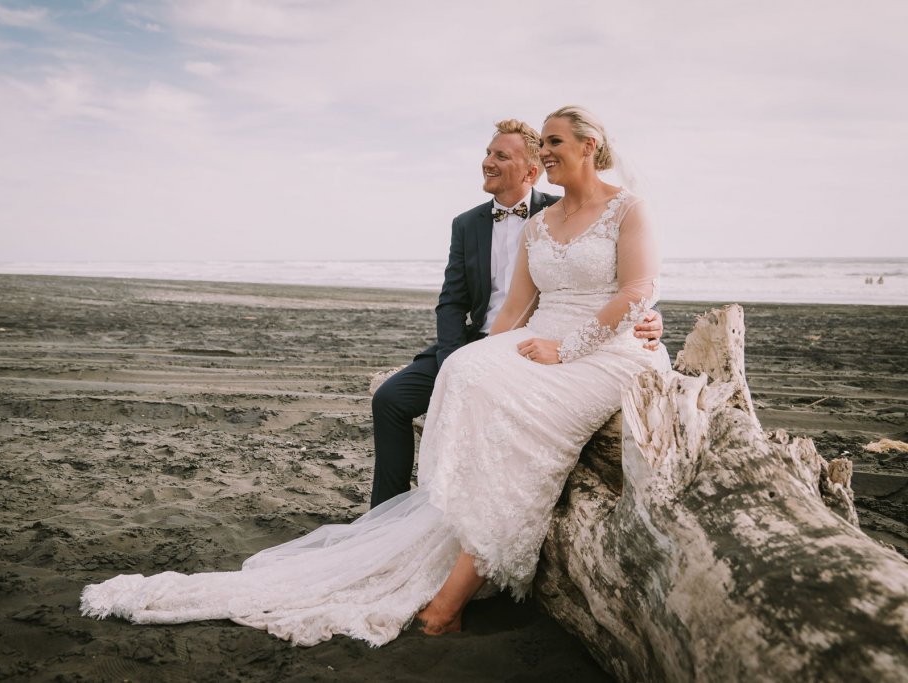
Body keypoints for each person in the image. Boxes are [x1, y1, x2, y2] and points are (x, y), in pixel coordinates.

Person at [80, 105, 671, 647]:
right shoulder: (515, 225)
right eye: (540, 143)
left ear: (590, 146)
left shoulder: (621, 208)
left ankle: (456, 590)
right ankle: (404, 510)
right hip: (529, 339)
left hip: (598, 347)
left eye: (552, 142)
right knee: (453, 377)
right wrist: (470, 361)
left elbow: (638, 288)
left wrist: (603, 335)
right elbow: (504, 312)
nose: (544, 151)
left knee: (509, 418)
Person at [370, 119, 662, 508]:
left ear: (531, 170)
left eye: (500, 155)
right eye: (488, 153)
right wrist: (452, 355)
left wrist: (652, 319)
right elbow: (452, 302)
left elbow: (620, 284)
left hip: (540, 343)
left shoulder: (565, 211)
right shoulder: (466, 223)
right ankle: (385, 510)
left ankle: (480, 503)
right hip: (478, 340)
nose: (487, 162)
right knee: (389, 399)